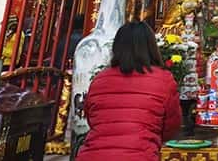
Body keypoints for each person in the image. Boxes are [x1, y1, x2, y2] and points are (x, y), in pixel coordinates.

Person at [76, 21, 182, 160]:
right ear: (151, 47)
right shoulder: (163, 80)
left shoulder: (99, 80)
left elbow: (93, 120)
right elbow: (171, 127)